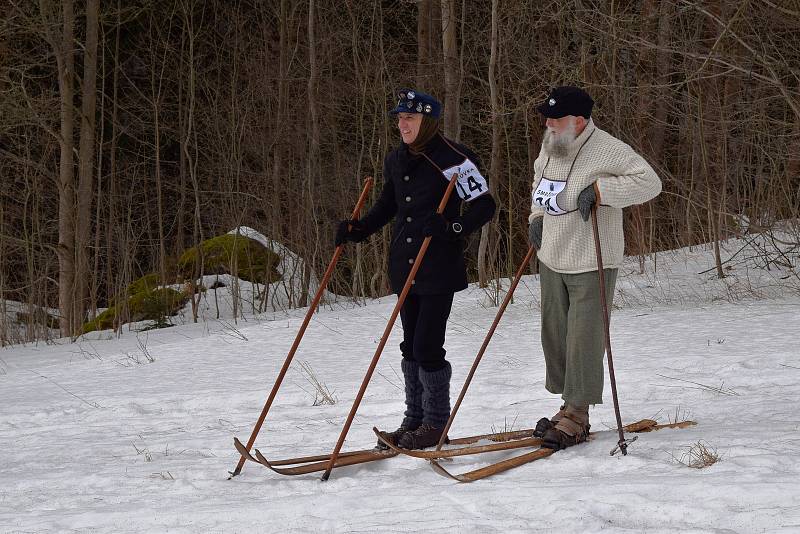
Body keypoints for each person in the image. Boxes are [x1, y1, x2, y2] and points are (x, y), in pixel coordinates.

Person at [335, 89, 496, 449]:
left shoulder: (455, 158)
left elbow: (485, 206)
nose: (402, 124)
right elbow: (387, 205)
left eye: (410, 118)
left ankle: (436, 425)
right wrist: (358, 229)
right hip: (404, 263)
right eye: (399, 118)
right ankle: (414, 420)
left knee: (427, 346)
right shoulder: (396, 158)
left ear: (428, 121)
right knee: (410, 346)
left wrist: (453, 228)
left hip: (437, 264)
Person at [527, 86, 661, 450]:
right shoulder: (552, 142)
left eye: (556, 118)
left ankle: (577, 415)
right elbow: (540, 183)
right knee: (555, 335)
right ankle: (566, 404)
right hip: (552, 254)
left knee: (583, 338)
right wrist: (536, 216)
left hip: (592, 259)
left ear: (580, 120)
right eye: (548, 117)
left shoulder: (609, 148)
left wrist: (601, 191)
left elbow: (649, 182)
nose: (549, 123)